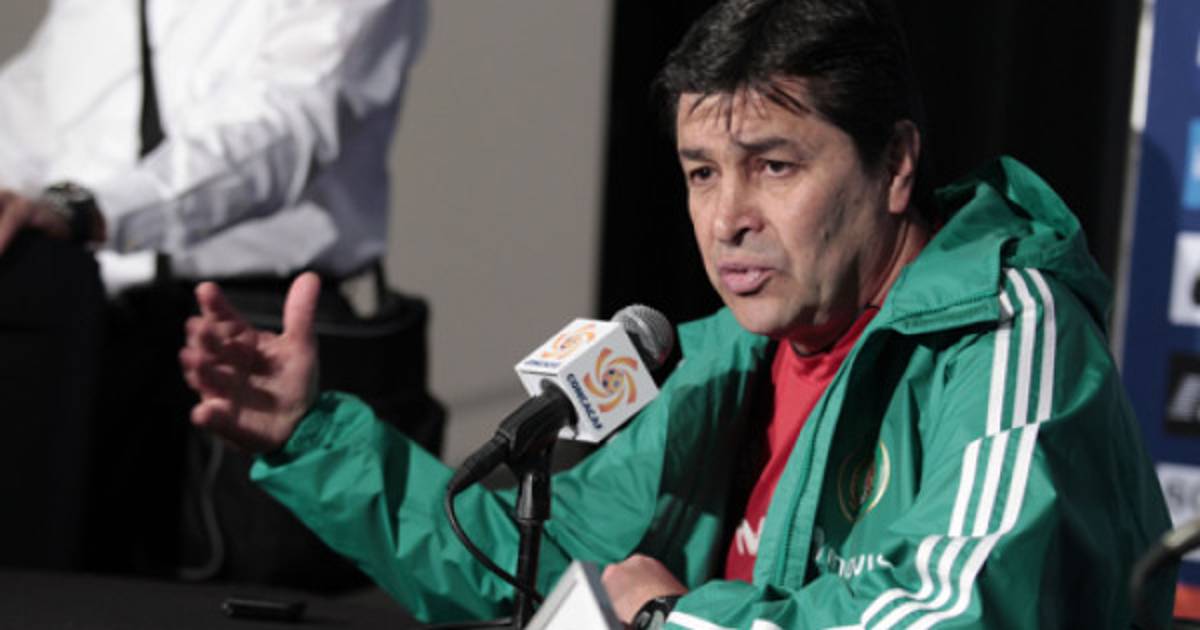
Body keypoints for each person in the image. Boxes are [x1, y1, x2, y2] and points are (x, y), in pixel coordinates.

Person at [181, 0, 1175, 626]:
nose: (727, 217)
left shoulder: (1007, 335)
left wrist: (675, 621)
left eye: (773, 166)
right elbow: (539, 574)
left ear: (897, 165)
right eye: (702, 173)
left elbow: (950, 612)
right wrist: (312, 435)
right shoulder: (710, 362)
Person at [0, 0, 427, 574]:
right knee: (78, 581)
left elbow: (286, 124)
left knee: (249, 586)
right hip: (99, 333)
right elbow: (28, 111)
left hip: (262, 328)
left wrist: (92, 209)